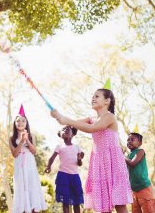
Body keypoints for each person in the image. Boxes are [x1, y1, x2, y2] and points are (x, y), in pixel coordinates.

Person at [51, 83, 133, 213]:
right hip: (99, 162)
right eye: (93, 96)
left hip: (112, 161)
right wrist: (59, 117)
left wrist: (66, 120)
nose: (93, 98)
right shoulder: (92, 118)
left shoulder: (110, 117)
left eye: (97, 96)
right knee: (103, 204)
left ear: (107, 101)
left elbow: (91, 128)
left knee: (119, 203)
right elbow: (73, 124)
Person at [9, 104, 47, 213]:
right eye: (18, 121)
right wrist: (21, 141)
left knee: (31, 186)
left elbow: (34, 151)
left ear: (26, 123)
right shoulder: (12, 138)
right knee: (21, 186)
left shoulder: (31, 136)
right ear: (15, 124)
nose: (20, 123)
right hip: (19, 165)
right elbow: (15, 154)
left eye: (23, 121)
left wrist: (27, 140)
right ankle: (23, 209)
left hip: (30, 165)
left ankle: (33, 209)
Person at [45, 125, 84, 213]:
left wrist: (79, 159)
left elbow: (80, 164)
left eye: (68, 129)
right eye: (63, 129)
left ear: (72, 134)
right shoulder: (59, 147)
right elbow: (52, 158)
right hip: (63, 176)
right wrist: (48, 166)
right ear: (60, 134)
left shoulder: (77, 147)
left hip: (75, 176)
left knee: (76, 201)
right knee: (65, 202)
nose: (65, 130)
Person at [125, 132, 155, 213]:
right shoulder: (127, 156)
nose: (129, 141)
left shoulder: (140, 151)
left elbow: (132, 163)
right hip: (134, 191)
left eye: (132, 139)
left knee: (148, 210)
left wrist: (121, 155)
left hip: (144, 188)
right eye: (128, 140)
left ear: (140, 143)